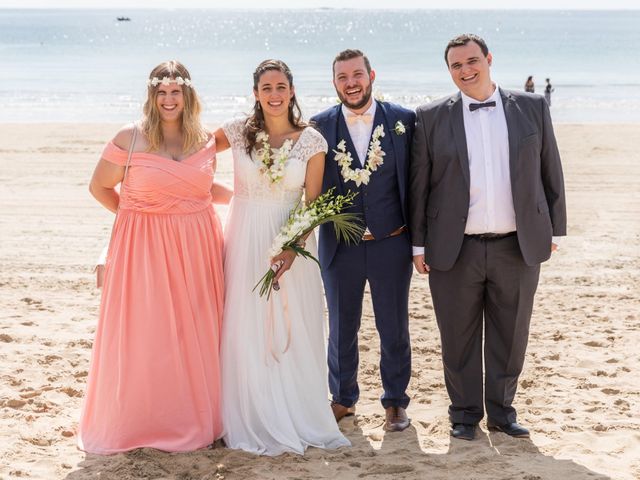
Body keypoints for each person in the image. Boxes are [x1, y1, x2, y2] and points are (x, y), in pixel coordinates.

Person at [409, 34, 567, 441]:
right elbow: (419, 187)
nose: (465, 70)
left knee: (511, 335)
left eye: (472, 61)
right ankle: (463, 415)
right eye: (456, 65)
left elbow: (552, 172)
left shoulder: (532, 107)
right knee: (457, 338)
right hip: (453, 248)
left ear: (489, 59)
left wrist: (555, 230)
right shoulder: (429, 117)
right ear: (449, 71)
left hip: (516, 245)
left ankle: (501, 412)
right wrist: (419, 244)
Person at [79, 61, 229, 453]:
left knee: (194, 331)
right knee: (148, 332)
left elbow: (201, 188)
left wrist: (253, 200)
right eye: (161, 92)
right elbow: (99, 187)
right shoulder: (130, 138)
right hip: (142, 247)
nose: (168, 99)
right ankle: (141, 420)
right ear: (151, 95)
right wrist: (140, 216)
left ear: (188, 94)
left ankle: (196, 415)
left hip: (199, 246)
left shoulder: (204, 140)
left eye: (175, 92)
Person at [214, 59, 350, 456]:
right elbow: (191, 151)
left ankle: (294, 411)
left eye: (281, 87)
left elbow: (314, 203)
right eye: (266, 87)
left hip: (290, 243)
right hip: (242, 239)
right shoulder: (237, 132)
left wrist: (293, 248)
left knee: (292, 330)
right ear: (255, 93)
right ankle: (245, 411)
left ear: (291, 90)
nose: (274, 94)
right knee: (243, 324)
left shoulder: (311, 141)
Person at [311, 49, 415, 432]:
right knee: (341, 326)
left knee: (394, 325)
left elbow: (416, 183)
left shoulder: (403, 120)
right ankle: (342, 399)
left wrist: (419, 244)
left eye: (357, 74)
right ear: (334, 82)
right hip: (341, 246)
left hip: (393, 242)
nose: (351, 83)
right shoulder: (318, 126)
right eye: (342, 77)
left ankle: (395, 402)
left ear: (372, 74)